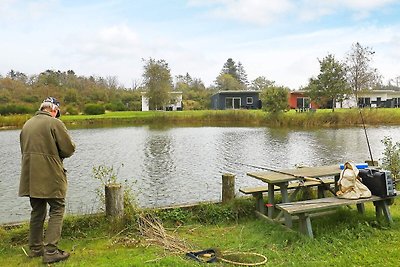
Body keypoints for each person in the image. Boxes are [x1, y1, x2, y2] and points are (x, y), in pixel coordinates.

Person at [19, 97, 76, 264]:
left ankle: (35, 248)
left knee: (37, 210)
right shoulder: (54, 123)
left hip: (30, 175)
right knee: (57, 208)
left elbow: (23, 149)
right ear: (55, 110)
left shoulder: (27, 124)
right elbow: (68, 149)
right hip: (51, 174)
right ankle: (51, 251)